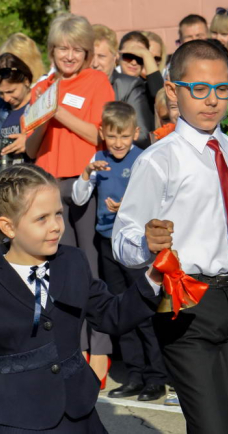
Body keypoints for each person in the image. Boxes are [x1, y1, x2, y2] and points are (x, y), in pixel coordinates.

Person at [112, 39, 228, 434]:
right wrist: (146, 243)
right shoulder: (159, 160)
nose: (212, 100)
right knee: (210, 426)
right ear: (172, 91)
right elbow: (122, 240)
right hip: (187, 303)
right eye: (199, 89)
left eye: (221, 88)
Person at [0, 164, 165, 433]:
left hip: (80, 415)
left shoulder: (73, 262)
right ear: (8, 227)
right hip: (20, 422)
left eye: (58, 214)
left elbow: (111, 316)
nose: (56, 226)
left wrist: (152, 280)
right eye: (41, 218)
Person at [25, 13, 116, 384]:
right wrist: (43, 116)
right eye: (63, 47)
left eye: (77, 49)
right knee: (61, 272)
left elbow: (100, 135)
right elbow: (31, 148)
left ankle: (101, 349)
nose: (69, 55)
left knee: (90, 269)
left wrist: (59, 111)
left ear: (88, 52)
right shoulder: (42, 87)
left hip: (85, 183)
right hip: (48, 186)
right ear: (52, 50)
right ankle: (73, 348)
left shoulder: (97, 82)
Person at [72, 101, 167, 401]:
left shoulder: (143, 158)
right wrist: (86, 173)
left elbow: (156, 199)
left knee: (145, 311)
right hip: (108, 243)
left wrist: (128, 205)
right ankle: (134, 375)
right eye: (112, 136)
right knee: (121, 310)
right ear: (102, 133)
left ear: (135, 133)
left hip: (136, 243)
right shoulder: (98, 159)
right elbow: (78, 198)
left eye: (124, 136)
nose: (118, 143)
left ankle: (156, 377)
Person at [92, 24, 153, 146]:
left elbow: (142, 135)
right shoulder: (78, 85)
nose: (95, 63)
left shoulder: (129, 86)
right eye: (91, 56)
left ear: (115, 57)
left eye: (101, 56)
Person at [0, 53, 32, 165]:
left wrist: (29, 141)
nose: (6, 98)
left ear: (26, 81)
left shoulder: (39, 103)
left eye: (11, 91)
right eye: (1, 93)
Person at [118, 31, 165, 111]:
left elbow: (160, 97)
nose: (134, 62)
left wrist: (146, 55)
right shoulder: (112, 82)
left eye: (140, 58)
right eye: (129, 56)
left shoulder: (148, 89)